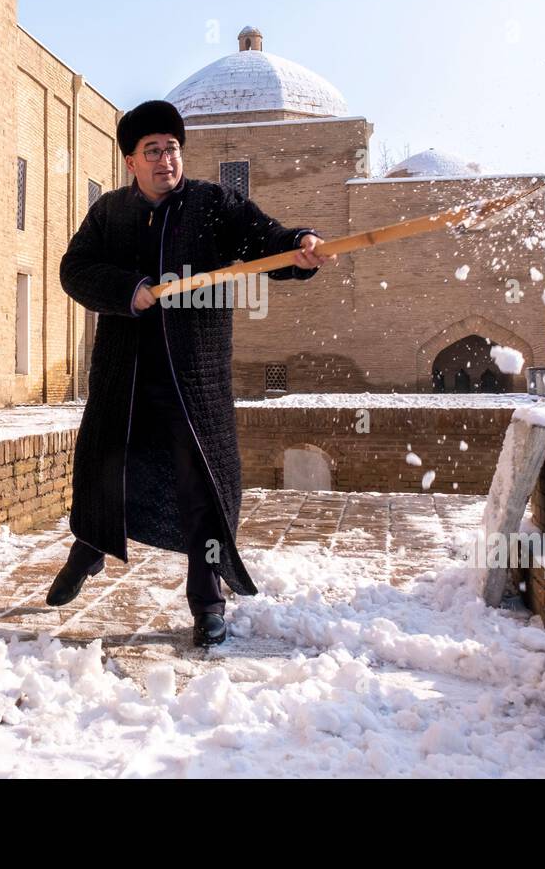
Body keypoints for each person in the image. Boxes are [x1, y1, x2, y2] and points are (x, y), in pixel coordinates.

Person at [49, 99, 334, 646]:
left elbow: (263, 239)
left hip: (193, 379)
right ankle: (89, 549)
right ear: (130, 161)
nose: (166, 160)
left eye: (172, 149)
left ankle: (206, 601)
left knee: (200, 484)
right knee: (106, 467)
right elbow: (73, 270)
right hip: (125, 376)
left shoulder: (212, 204)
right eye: (152, 151)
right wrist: (128, 290)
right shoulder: (110, 213)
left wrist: (298, 245)